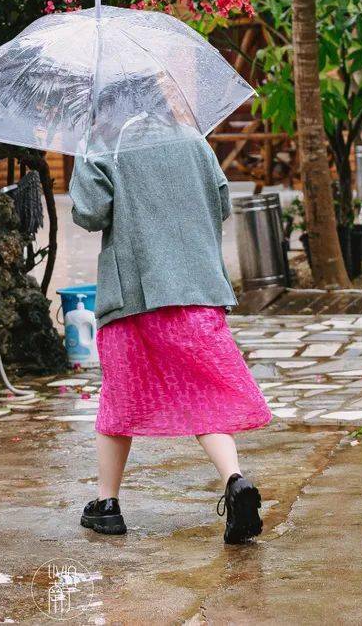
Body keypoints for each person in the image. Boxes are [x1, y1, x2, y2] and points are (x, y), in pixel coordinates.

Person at [70, 132, 270, 542]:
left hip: (135, 295)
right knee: (204, 394)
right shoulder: (193, 141)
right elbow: (222, 203)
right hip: (197, 286)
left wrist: (84, 160)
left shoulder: (103, 144)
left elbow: (90, 212)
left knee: (119, 396)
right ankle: (235, 480)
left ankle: (107, 505)